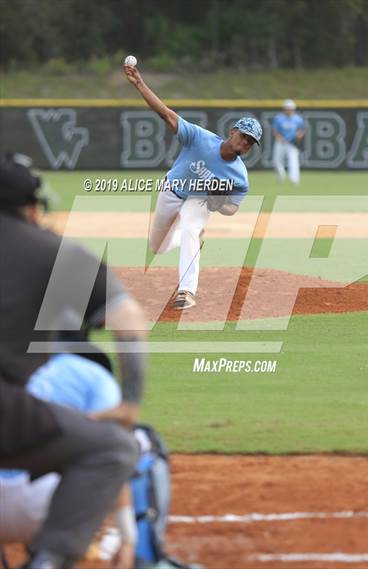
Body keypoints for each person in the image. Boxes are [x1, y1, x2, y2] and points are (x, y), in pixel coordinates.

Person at [0, 153, 147, 568]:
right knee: (112, 448)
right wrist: (131, 403)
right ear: (30, 207)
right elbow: (128, 320)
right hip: (8, 412)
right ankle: (48, 560)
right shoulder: (48, 249)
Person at [124, 62, 262, 310]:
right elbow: (165, 113)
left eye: (251, 142)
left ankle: (187, 291)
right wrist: (139, 84)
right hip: (170, 191)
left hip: (198, 201)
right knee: (158, 246)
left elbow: (232, 209)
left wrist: (218, 202)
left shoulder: (239, 176)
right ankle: (193, 240)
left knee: (190, 225)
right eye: (244, 136)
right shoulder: (200, 138)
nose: (245, 143)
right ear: (233, 132)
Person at [0, 351, 137, 569]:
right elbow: (112, 461)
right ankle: (46, 561)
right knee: (127, 445)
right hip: (50, 510)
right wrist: (127, 536)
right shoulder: (92, 374)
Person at [272, 99, 305, 184]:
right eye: (287, 108)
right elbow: (275, 130)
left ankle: (294, 180)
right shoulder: (279, 118)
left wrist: (299, 136)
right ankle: (281, 176)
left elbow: (301, 130)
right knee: (276, 161)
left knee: (293, 161)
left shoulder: (298, 119)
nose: (289, 110)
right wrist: (279, 138)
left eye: (291, 108)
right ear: (284, 109)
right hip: (281, 142)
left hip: (292, 143)